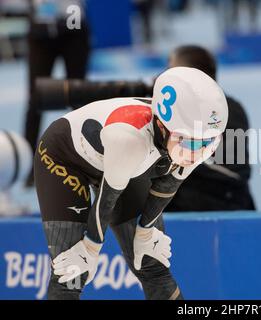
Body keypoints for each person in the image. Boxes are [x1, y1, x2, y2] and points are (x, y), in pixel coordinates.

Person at [33, 67, 228, 299]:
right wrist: (91, 247)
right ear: (163, 127)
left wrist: (146, 231)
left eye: (208, 145)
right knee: (71, 273)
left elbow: (168, 186)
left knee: (152, 264)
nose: (197, 154)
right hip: (64, 156)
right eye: (190, 144)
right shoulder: (130, 139)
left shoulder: (197, 136)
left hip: (125, 165)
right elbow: (108, 197)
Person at [165, 45, 256, 211]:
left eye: (170, 71)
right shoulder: (172, 111)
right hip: (184, 207)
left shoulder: (227, 110)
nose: (163, 78)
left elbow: (234, 174)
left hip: (221, 211)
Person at [24, 0, 91, 187]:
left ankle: (85, 160)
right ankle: (29, 164)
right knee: (36, 99)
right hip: (41, 28)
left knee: (78, 99)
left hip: (73, 23)